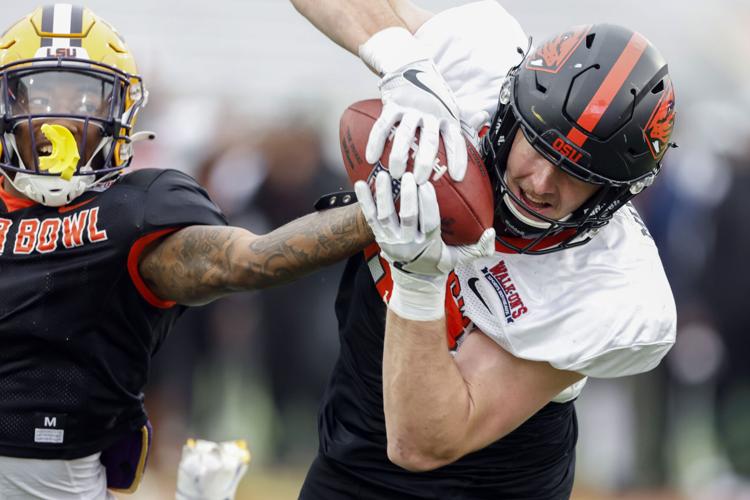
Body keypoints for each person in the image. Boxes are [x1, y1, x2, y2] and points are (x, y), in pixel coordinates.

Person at [292, 1, 677, 498]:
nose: (540, 181)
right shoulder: (475, 69)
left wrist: (418, 281)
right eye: (539, 144)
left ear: (613, 193)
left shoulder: (612, 284)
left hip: (485, 478)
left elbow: (424, 444)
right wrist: (402, 61)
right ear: (512, 109)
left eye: (578, 174)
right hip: (353, 430)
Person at [0, 5, 373, 499]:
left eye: (85, 96)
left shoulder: (133, 209)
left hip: (63, 476)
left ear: (121, 109)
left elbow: (246, 258)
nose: (61, 117)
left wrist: (375, 213)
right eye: (42, 95)